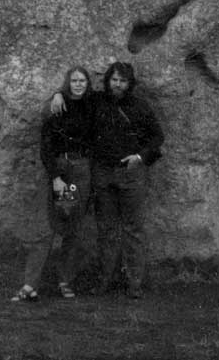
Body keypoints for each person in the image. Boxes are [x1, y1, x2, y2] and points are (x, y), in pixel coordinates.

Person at [51, 61, 164, 299]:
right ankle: (105, 281)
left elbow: (157, 137)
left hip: (131, 173)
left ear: (129, 83)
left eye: (123, 80)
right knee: (107, 230)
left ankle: (134, 283)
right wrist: (58, 94)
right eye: (114, 79)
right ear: (108, 81)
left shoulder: (140, 106)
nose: (118, 84)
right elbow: (76, 94)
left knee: (134, 229)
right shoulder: (97, 100)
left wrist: (141, 157)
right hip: (102, 173)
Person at [11, 66, 94, 302]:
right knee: (53, 223)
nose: (78, 84)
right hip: (63, 170)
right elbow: (46, 144)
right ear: (68, 83)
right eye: (74, 80)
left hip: (81, 169)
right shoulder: (57, 106)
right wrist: (57, 177)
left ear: (88, 84)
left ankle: (64, 280)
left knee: (73, 227)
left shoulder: (92, 105)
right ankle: (31, 284)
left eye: (83, 80)